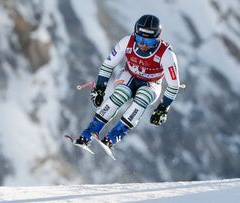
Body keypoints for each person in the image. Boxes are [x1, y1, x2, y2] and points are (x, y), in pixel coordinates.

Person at [76, 14, 181, 149]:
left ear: (157, 38)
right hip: (129, 76)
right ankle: (87, 134)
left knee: (142, 98)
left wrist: (162, 108)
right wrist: (100, 88)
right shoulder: (127, 42)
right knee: (120, 94)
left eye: (148, 41)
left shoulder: (166, 54)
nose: (142, 44)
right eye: (139, 38)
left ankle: (112, 138)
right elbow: (108, 65)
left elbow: (173, 86)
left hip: (152, 84)